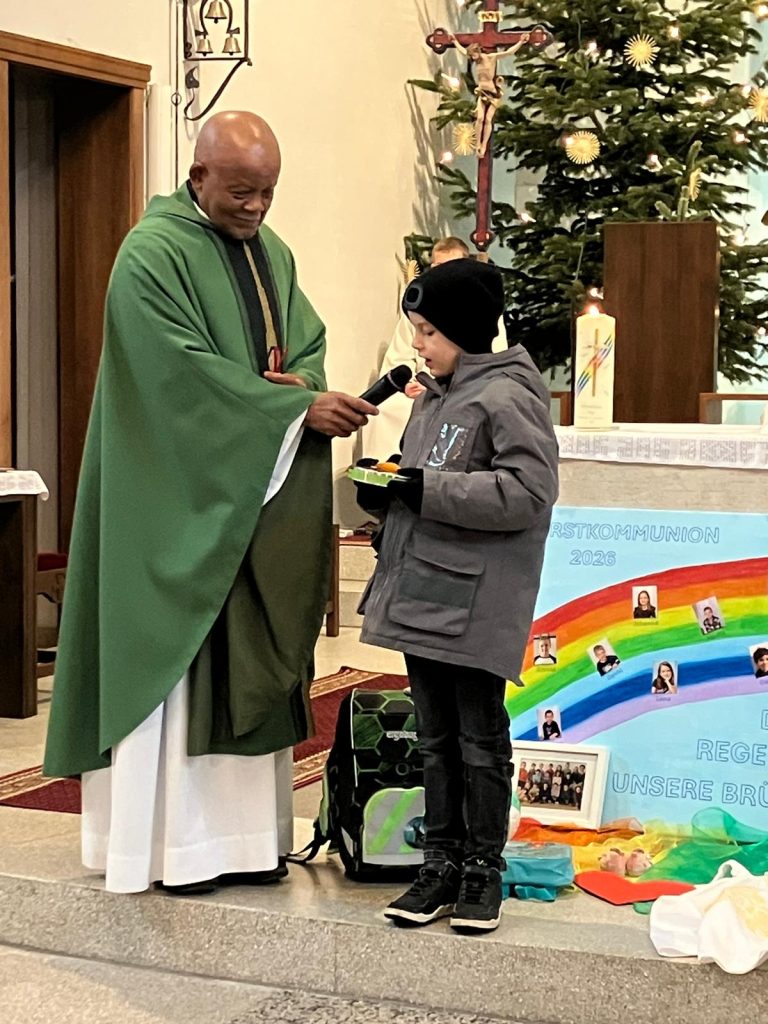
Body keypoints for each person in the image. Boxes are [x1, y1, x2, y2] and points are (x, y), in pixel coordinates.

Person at [43, 111, 378, 896]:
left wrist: (300, 385)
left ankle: (246, 841)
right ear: (198, 177)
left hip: (251, 496)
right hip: (173, 498)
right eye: (240, 191)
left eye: (267, 192)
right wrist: (289, 409)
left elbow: (304, 344)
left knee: (251, 657)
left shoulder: (273, 253)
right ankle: (171, 848)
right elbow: (171, 376)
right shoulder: (151, 253)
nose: (256, 207)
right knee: (179, 661)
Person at [356, 259, 559, 933]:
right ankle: (438, 865)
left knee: (479, 739)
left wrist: (423, 489)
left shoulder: (507, 395)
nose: (418, 344)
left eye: (429, 332)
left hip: (474, 601)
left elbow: (527, 492)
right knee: (434, 739)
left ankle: (481, 871)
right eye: (416, 330)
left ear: (465, 331)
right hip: (422, 591)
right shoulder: (433, 397)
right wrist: (384, 492)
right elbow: (419, 481)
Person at [362, 237, 507, 462]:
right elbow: (400, 357)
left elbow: (487, 363)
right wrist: (408, 384)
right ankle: (385, 470)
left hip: (461, 393)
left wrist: (440, 387)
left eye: (429, 332)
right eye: (438, 267)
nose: (417, 342)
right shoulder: (418, 311)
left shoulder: (482, 316)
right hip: (420, 390)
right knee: (387, 410)